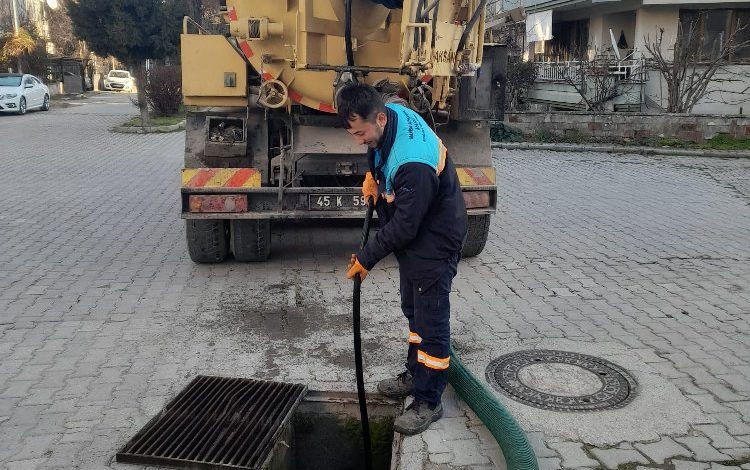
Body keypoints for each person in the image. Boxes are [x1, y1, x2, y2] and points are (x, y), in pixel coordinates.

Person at [339, 83, 468, 435]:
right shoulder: (391, 113)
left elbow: (405, 226)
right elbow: (379, 151)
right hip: (418, 231)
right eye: (353, 134)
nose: (359, 141)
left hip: (435, 238)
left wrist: (367, 258)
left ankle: (428, 400)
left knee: (431, 321)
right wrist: (376, 179)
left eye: (361, 133)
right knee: (413, 309)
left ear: (379, 119)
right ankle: (415, 374)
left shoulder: (413, 163)